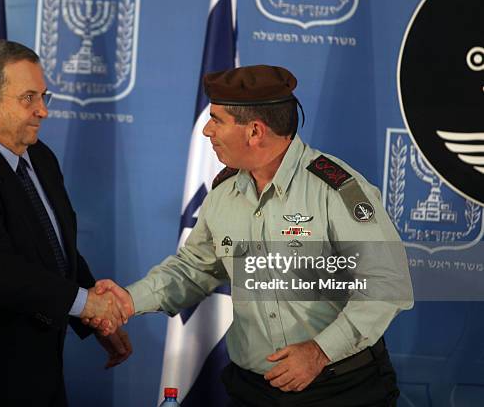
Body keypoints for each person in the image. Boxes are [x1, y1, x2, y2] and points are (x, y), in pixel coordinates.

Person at [91, 65, 414, 406]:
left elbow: (387, 286)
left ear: (255, 131)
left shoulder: (336, 190)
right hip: (253, 391)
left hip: (340, 389)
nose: (206, 130)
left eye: (217, 120)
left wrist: (320, 352)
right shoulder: (223, 193)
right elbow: (194, 268)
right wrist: (128, 300)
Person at [0, 40, 131, 406]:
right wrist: (84, 304)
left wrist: (94, 317)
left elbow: (57, 250)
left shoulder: (41, 157)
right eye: (28, 98)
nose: (43, 111)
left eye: (44, 96)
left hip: (41, 378)